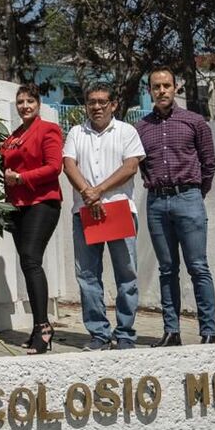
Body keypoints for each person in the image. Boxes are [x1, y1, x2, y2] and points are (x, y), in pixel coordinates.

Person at [136, 66, 215, 346]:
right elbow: (139, 165)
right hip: (157, 202)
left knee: (198, 266)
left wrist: (195, 194)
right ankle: (172, 332)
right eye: (156, 86)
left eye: (166, 86)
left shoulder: (195, 122)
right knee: (167, 269)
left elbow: (209, 164)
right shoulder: (141, 128)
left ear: (175, 88)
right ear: (149, 91)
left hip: (189, 198)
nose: (161, 91)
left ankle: (208, 332)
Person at [62, 83, 146, 350]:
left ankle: (124, 334)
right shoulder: (76, 132)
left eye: (102, 102)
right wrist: (88, 193)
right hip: (85, 212)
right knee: (87, 275)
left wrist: (98, 190)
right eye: (91, 102)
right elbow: (68, 165)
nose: (97, 107)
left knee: (126, 275)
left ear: (113, 105)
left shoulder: (127, 131)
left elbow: (131, 166)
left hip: (118, 209)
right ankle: (98, 333)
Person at [0, 83, 63, 354]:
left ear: (38, 104)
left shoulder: (48, 130)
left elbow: (54, 167)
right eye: (21, 102)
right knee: (27, 264)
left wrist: (22, 177)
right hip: (18, 204)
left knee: (30, 259)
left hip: (42, 202)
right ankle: (39, 327)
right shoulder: (13, 136)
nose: (25, 106)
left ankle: (43, 327)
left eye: (30, 101)